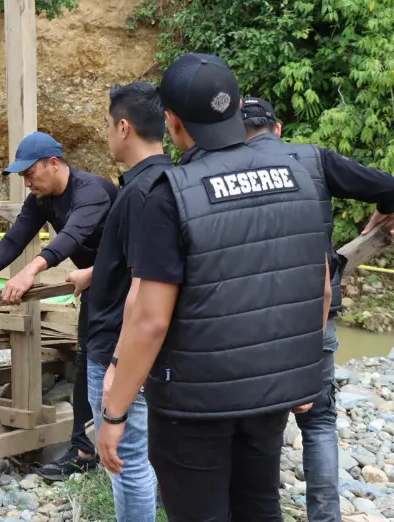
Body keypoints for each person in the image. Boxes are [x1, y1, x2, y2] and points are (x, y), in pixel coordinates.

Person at [97, 53, 332, 522]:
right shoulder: (299, 174)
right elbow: (318, 287)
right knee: (259, 505)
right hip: (269, 394)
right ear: (238, 106)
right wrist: (301, 371)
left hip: (194, 407)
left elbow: (150, 319)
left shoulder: (170, 193)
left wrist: (114, 413)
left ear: (173, 122)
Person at [242, 96, 394, 522]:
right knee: (320, 420)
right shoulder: (313, 159)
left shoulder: (222, 167)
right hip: (313, 307)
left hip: (248, 315)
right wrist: (383, 212)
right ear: (277, 130)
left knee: (256, 418)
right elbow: (389, 186)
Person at [0, 131, 117, 480]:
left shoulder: (92, 191)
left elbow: (70, 236)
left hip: (127, 284)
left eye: (31, 173)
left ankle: (128, 451)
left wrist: (31, 271)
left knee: (118, 364)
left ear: (54, 163)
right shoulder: (41, 198)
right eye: (23, 176)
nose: (27, 182)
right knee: (87, 359)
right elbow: (18, 235)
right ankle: (83, 451)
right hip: (94, 286)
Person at [65, 82, 168, 521]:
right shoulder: (167, 183)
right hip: (126, 346)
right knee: (136, 457)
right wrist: (95, 271)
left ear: (123, 127)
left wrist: (116, 367)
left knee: (125, 462)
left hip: (115, 347)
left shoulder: (140, 194)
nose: (107, 134)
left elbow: (145, 290)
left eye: (108, 125)